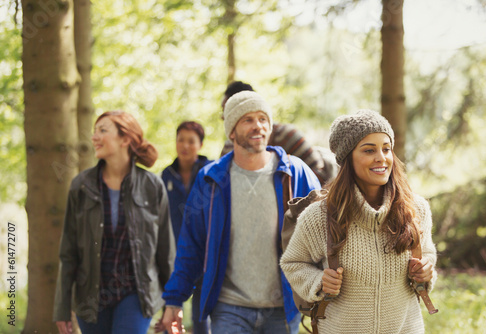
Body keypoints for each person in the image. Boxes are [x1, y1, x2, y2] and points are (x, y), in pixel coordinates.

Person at [155, 91, 321, 334]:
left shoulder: (294, 173)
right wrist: (174, 300)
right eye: (248, 120)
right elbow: (191, 245)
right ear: (231, 130)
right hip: (229, 308)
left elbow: (322, 231)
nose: (258, 126)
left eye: (263, 119)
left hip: (282, 307)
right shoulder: (211, 179)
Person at [280, 109, 438, 333]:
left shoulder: (416, 209)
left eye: (386, 149)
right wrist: (318, 282)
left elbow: (427, 253)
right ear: (347, 158)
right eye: (369, 150)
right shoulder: (319, 216)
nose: (381, 158)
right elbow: (293, 263)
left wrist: (425, 271)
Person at [53, 111, 176, 334]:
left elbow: (165, 252)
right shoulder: (81, 186)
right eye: (94, 131)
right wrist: (62, 309)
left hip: (136, 293)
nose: (94, 137)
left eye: (103, 130)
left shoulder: (152, 186)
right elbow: (68, 252)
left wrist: (173, 304)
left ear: (125, 139)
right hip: (90, 296)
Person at [219, 81, 338, 185]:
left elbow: (319, 172)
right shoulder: (228, 149)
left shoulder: (287, 136)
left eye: (226, 110)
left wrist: (290, 196)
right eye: (247, 120)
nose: (223, 117)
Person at [161, 121, 212, 334]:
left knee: (201, 319)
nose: (185, 145)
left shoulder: (211, 172)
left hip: (205, 253)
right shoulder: (166, 175)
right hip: (173, 254)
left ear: (200, 145)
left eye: (191, 141)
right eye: (181, 139)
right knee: (170, 313)